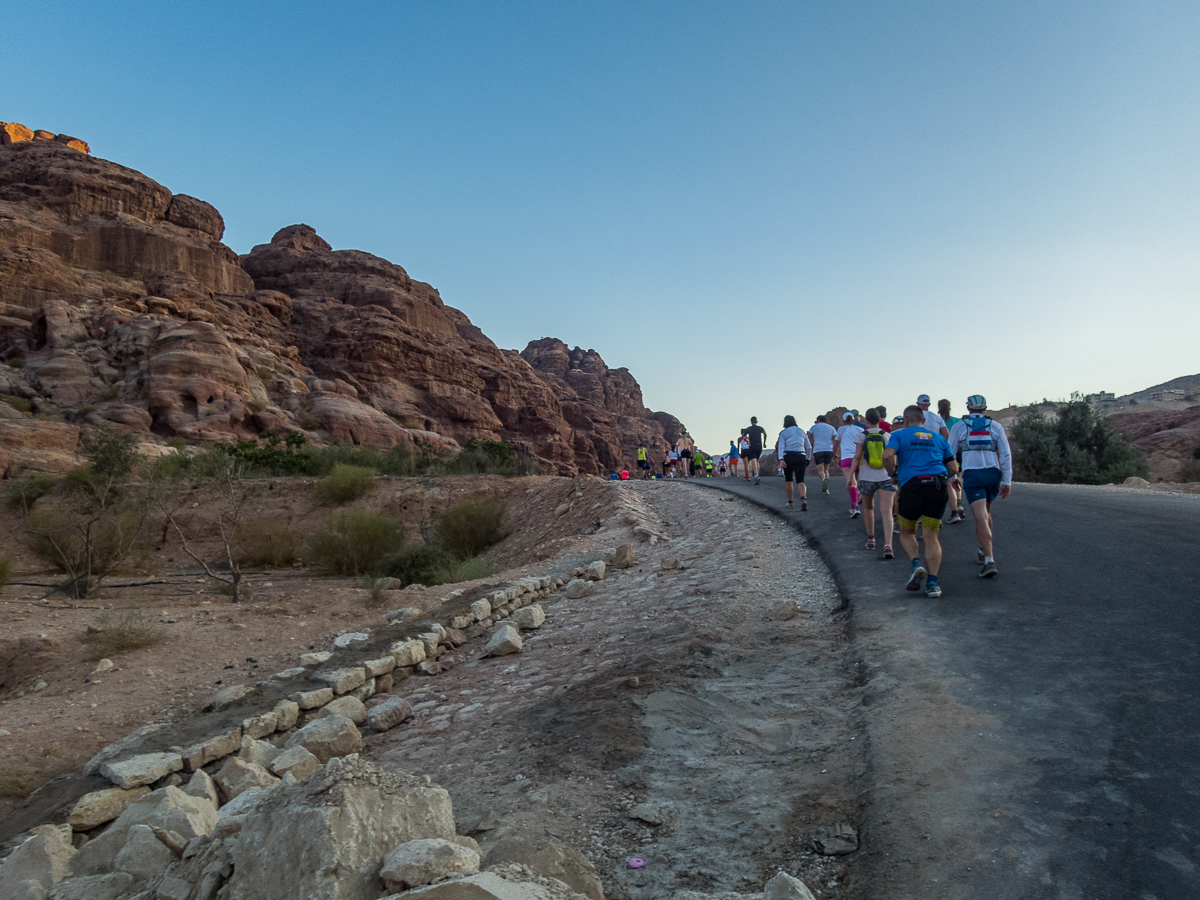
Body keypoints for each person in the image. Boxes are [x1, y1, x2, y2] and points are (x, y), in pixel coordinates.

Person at [883, 405, 959, 598]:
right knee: (931, 536)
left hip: (913, 487)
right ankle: (933, 584)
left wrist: (893, 473)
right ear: (923, 421)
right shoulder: (939, 438)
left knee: (907, 531)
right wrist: (945, 476)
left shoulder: (899, 435)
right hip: (937, 486)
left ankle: (916, 564)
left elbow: (886, 455)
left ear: (905, 419)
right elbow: (953, 467)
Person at [947, 395, 1013, 578]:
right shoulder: (996, 426)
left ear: (968, 408)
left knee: (980, 516)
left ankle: (989, 560)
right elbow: (1006, 455)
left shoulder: (960, 426)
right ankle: (983, 550)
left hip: (973, 474)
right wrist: (1007, 481)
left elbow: (949, 452)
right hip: (993, 473)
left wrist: (952, 476)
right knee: (987, 512)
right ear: (985, 408)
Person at [852, 408, 896, 556]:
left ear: (867, 420)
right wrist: (894, 473)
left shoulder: (861, 435)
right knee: (886, 511)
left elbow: (857, 457)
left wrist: (850, 476)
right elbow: (891, 457)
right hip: (885, 476)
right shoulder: (887, 435)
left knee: (868, 508)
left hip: (866, 477)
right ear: (879, 420)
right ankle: (888, 545)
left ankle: (871, 539)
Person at [833, 412, 864, 517]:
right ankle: (859, 496)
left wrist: (835, 454)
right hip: (859, 458)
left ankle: (855, 507)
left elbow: (835, 444)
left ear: (844, 420)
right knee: (858, 480)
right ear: (853, 420)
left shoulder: (841, 429)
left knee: (851, 481)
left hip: (846, 459)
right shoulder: (860, 430)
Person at [777, 415, 811, 510]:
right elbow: (808, 447)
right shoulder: (802, 431)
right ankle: (803, 498)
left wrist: (781, 459)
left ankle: (790, 501)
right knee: (800, 480)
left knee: (789, 480)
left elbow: (781, 447)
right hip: (801, 456)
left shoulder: (783, 433)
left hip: (788, 456)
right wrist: (808, 458)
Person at [939, 399, 965, 522]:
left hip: (946, 454)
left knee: (949, 483)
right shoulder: (957, 421)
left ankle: (954, 512)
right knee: (957, 479)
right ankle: (959, 502)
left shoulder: (939, 422)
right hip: (959, 454)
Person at [808, 415, 837, 493]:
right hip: (829, 449)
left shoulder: (814, 427)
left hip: (818, 449)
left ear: (818, 420)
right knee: (826, 469)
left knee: (820, 470)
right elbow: (835, 437)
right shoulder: (831, 427)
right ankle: (826, 489)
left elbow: (808, 435)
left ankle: (824, 479)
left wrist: (812, 442)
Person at [742, 417, 767, 484]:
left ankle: (756, 475)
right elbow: (765, 433)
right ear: (757, 421)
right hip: (759, 445)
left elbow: (744, 437)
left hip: (752, 446)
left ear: (751, 421)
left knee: (753, 459)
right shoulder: (760, 428)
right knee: (757, 460)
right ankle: (757, 474)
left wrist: (748, 441)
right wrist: (764, 442)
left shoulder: (749, 429)